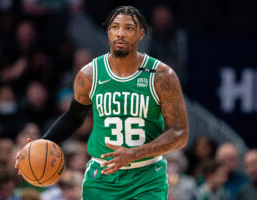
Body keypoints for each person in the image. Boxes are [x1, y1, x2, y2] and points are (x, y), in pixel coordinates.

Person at [15, 5, 189, 200]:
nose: (121, 33)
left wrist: (135, 153)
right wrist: (41, 143)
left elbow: (179, 133)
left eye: (128, 28)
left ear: (141, 34)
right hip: (101, 177)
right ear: (108, 32)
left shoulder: (162, 76)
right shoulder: (89, 74)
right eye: (115, 27)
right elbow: (74, 116)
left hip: (146, 178)